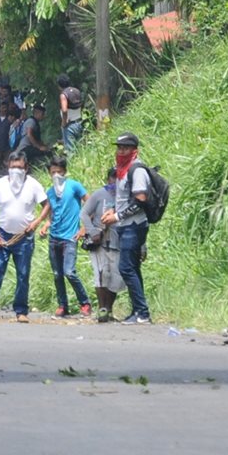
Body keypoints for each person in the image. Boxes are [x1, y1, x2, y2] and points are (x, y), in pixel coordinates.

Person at [0, 151, 50, 323]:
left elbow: (46, 205)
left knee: (23, 274)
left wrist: (37, 222)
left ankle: (21, 311)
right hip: (2, 234)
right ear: (7, 167)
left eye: (20, 167)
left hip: (24, 237)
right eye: (13, 167)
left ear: (26, 168)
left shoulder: (33, 185)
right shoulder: (0, 184)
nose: (16, 170)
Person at [101, 132, 152, 325]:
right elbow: (123, 199)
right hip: (124, 225)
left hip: (133, 225)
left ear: (135, 151)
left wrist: (117, 216)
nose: (121, 151)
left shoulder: (137, 170)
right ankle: (138, 311)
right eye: (119, 148)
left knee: (126, 267)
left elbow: (140, 200)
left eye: (125, 148)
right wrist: (113, 211)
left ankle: (143, 312)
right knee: (133, 268)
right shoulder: (122, 170)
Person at [43, 157, 92, 318]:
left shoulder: (74, 186)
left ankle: (85, 302)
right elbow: (50, 215)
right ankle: (62, 305)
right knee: (57, 274)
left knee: (69, 271)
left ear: (64, 171)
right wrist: (45, 225)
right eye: (53, 172)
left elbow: (90, 203)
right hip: (54, 237)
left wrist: (85, 227)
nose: (56, 175)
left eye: (59, 171)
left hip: (70, 237)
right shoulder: (50, 192)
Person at [81, 167, 125, 322]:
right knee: (101, 275)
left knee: (116, 278)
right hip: (100, 242)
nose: (115, 181)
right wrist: (93, 231)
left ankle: (110, 309)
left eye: (119, 177)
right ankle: (102, 308)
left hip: (118, 242)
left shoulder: (126, 197)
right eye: (113, 177)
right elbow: (84, 213)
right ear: (108, 179)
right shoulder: (99, 194)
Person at [16, 103, 50, 169]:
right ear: (38, 113)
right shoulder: (31, 121)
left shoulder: (35, 123)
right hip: (25, 148)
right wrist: (39, 147)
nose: (44, 116)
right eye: (42, 114)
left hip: (29, 148)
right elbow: (29, 135)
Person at [57, 74, 84, 152]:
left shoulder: (63, 95)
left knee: (70, 151)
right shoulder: (76, 91)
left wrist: (64, 123)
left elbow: (64, 110)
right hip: (79, 122)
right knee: (80, 148)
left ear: (59, 85)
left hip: (69, 125)